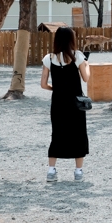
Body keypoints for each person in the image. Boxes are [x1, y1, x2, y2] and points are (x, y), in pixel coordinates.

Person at [40, 27, 91, 182]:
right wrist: (87, 66)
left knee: (57, 134)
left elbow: (43, 84)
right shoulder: (78, 56)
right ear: (71, 39)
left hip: (58, 102)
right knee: (78, 133)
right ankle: (78, 172)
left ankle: (51, 170)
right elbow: (86, 78)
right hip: (75, 102)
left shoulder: (49, 58)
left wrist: (55, 88)